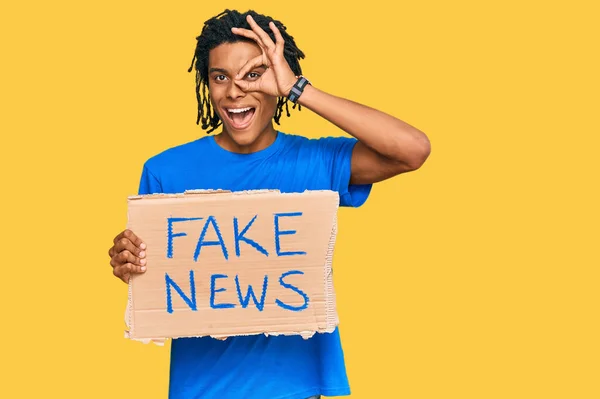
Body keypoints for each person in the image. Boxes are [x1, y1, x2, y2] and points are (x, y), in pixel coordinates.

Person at [108, 9, 430, 399]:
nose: (234, 91)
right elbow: (156, 276)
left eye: (253, 75)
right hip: (201, 389)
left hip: (295, 388)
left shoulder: (315, 161)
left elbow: (412, 150)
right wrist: (130, 262)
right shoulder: (165, 171)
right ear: (206, 85)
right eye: (220, 77)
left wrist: (299, 89)